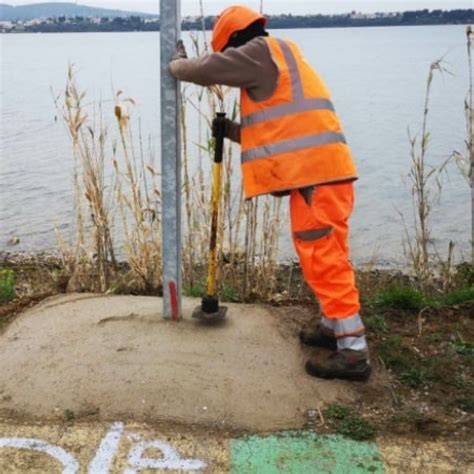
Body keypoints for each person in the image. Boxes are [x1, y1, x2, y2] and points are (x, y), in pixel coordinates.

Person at [169, 5, 371, 382]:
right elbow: (274, 133)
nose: (230, 60)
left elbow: (205, 69)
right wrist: (230, 129)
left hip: (317, 180)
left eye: (229, 51)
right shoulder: (280, 56)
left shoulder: (259, 53)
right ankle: (334, 328)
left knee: (324, 260)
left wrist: (177, 64)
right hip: (325, 176)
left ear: (235, 42)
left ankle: (354, 352)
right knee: (327, 256)